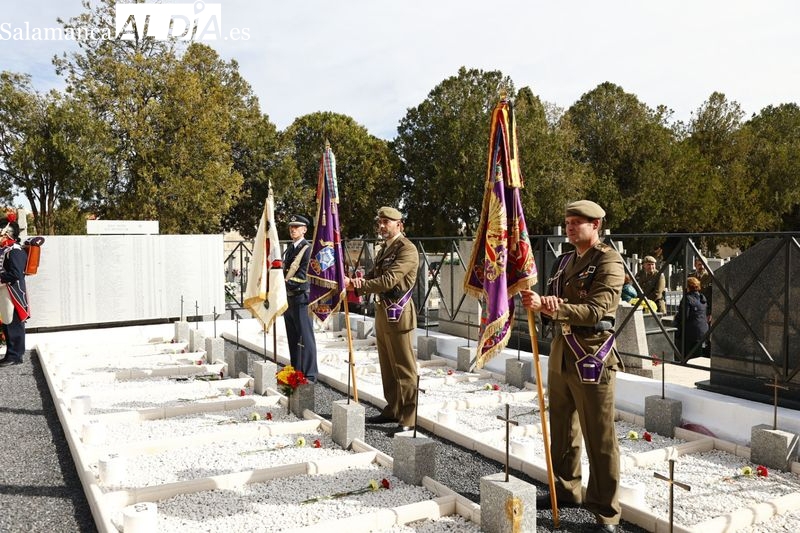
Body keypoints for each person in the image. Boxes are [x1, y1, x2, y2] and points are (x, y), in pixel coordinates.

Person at [521, 200, 623, 533]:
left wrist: (556, 307)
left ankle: (606, 511)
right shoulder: (565, 261)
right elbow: (553, 300)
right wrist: (540, 304)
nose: (570, 227)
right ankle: (566, 490)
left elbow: (597, 310)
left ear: (596, 225)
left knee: (599, 435)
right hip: (563, 350)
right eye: (567, 221)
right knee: (562, 428)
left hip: (591, 352)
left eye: (577, 222)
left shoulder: (608, 261)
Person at [345, 207, 419, 435]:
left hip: (399, 312)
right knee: (387, 366)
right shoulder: (384, 249)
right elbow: (373, 275)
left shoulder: (407, 249)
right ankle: (393, 408)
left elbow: (388, 280)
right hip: (382, 312)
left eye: (387, 221)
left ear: (400, 224)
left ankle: (408, 417)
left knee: (404, 367)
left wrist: (359, 285)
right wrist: (355, 281)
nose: (382, 225)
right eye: (380, 222)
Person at [282, 214, 318, 382]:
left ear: (304, 230)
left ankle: (310, 374)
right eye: (291, 227)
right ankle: (297, 369)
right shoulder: (290, 248)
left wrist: (284, 284)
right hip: (289, 298)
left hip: (302, 298)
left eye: (296, 227)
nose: (293, 229)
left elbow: (304, 275)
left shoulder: (308, 249)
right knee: (293, 337)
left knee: (306, 336)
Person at [0, 213, 29, 367]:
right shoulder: (5, 249)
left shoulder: (15, 250)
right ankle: (11, 354)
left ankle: (16, 355)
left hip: (13, 291)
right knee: (7, 321)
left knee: (13, 322)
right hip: (5, 290)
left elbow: (16, 273)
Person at [674, 276, 709, 362]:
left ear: (687, 287)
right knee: (698, 356)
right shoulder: (702, 298)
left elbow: (684, 316)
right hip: (703, 331)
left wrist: (676, 319)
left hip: (690, 333)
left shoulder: (687, 299)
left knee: (688, 357)